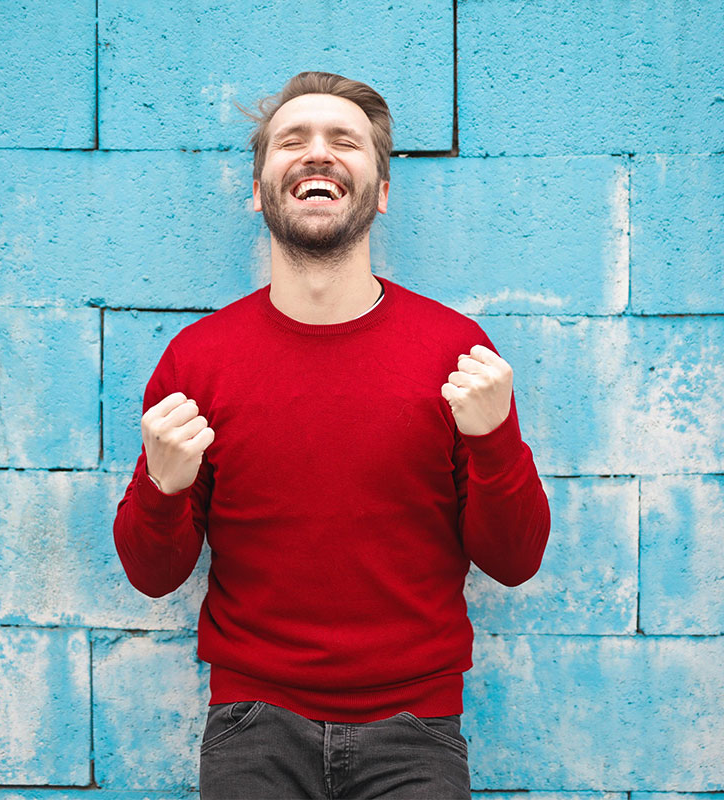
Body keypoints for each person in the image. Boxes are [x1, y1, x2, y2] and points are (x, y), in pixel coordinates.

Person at [113, 71, 550, 799]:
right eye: (293, 141)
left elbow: (514, 561)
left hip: (418, 730)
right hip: (252, 727)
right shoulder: (198, 361)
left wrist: (496, 439)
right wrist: (164, 486)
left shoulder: (456, 352)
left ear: (379, 192)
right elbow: (153, 575)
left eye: (344, 141)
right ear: (260, 188)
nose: (318, 154)